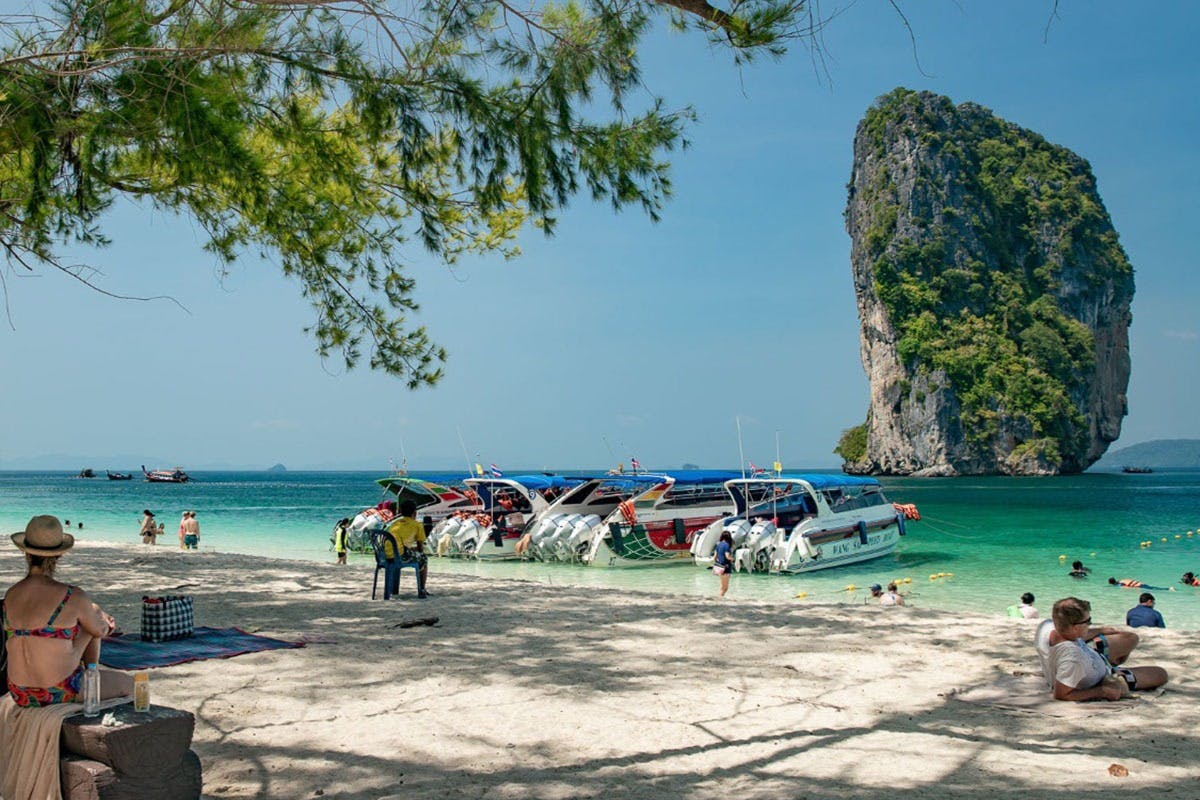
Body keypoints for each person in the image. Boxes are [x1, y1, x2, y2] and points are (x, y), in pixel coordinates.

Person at [3, 516, 133, 706]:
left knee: (90, 615)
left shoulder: (11, 594)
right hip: (59, 690)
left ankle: (92, 673)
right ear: (60, 555)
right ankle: (92, 672)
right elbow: (100, 631)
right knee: (131, 684)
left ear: (26, 553)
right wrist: (103, 620)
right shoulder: (71, 595)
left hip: (19, 692)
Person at [1046, 597, 1167, 702]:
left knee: (1131, 638)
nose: (1090, 624)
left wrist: (1101, 630)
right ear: (1075, 628)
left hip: (1093, 655)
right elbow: (1061, 694)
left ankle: (1115, 660)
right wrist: (1102, 691)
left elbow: (1075, 636)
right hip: (1107, 676)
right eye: (1088, 621)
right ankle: (1117, 665)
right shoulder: (1073, 658)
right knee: (1160, 674)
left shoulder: (1052, 630)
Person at [385, 499, 429, 598]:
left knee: (408, 553)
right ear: (415, 513)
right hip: (399, 557)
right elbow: (420, 549)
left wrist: (410, 549)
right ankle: (422, 589)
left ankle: (393, 589)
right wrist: (415, 549)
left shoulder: (395, 523)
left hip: (385, 556)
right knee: (423, 558)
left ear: (401, 512)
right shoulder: (417, 525)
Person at [713, 532, 733, 597]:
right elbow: (727, 556)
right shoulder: (727, 545)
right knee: (725, 588)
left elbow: (714, 557)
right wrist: (733, 559)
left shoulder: (718, 545)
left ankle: (720, 598)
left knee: (722, 586)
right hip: (726, 567)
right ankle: (720, 598)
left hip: (719, 566)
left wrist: (718, 564)